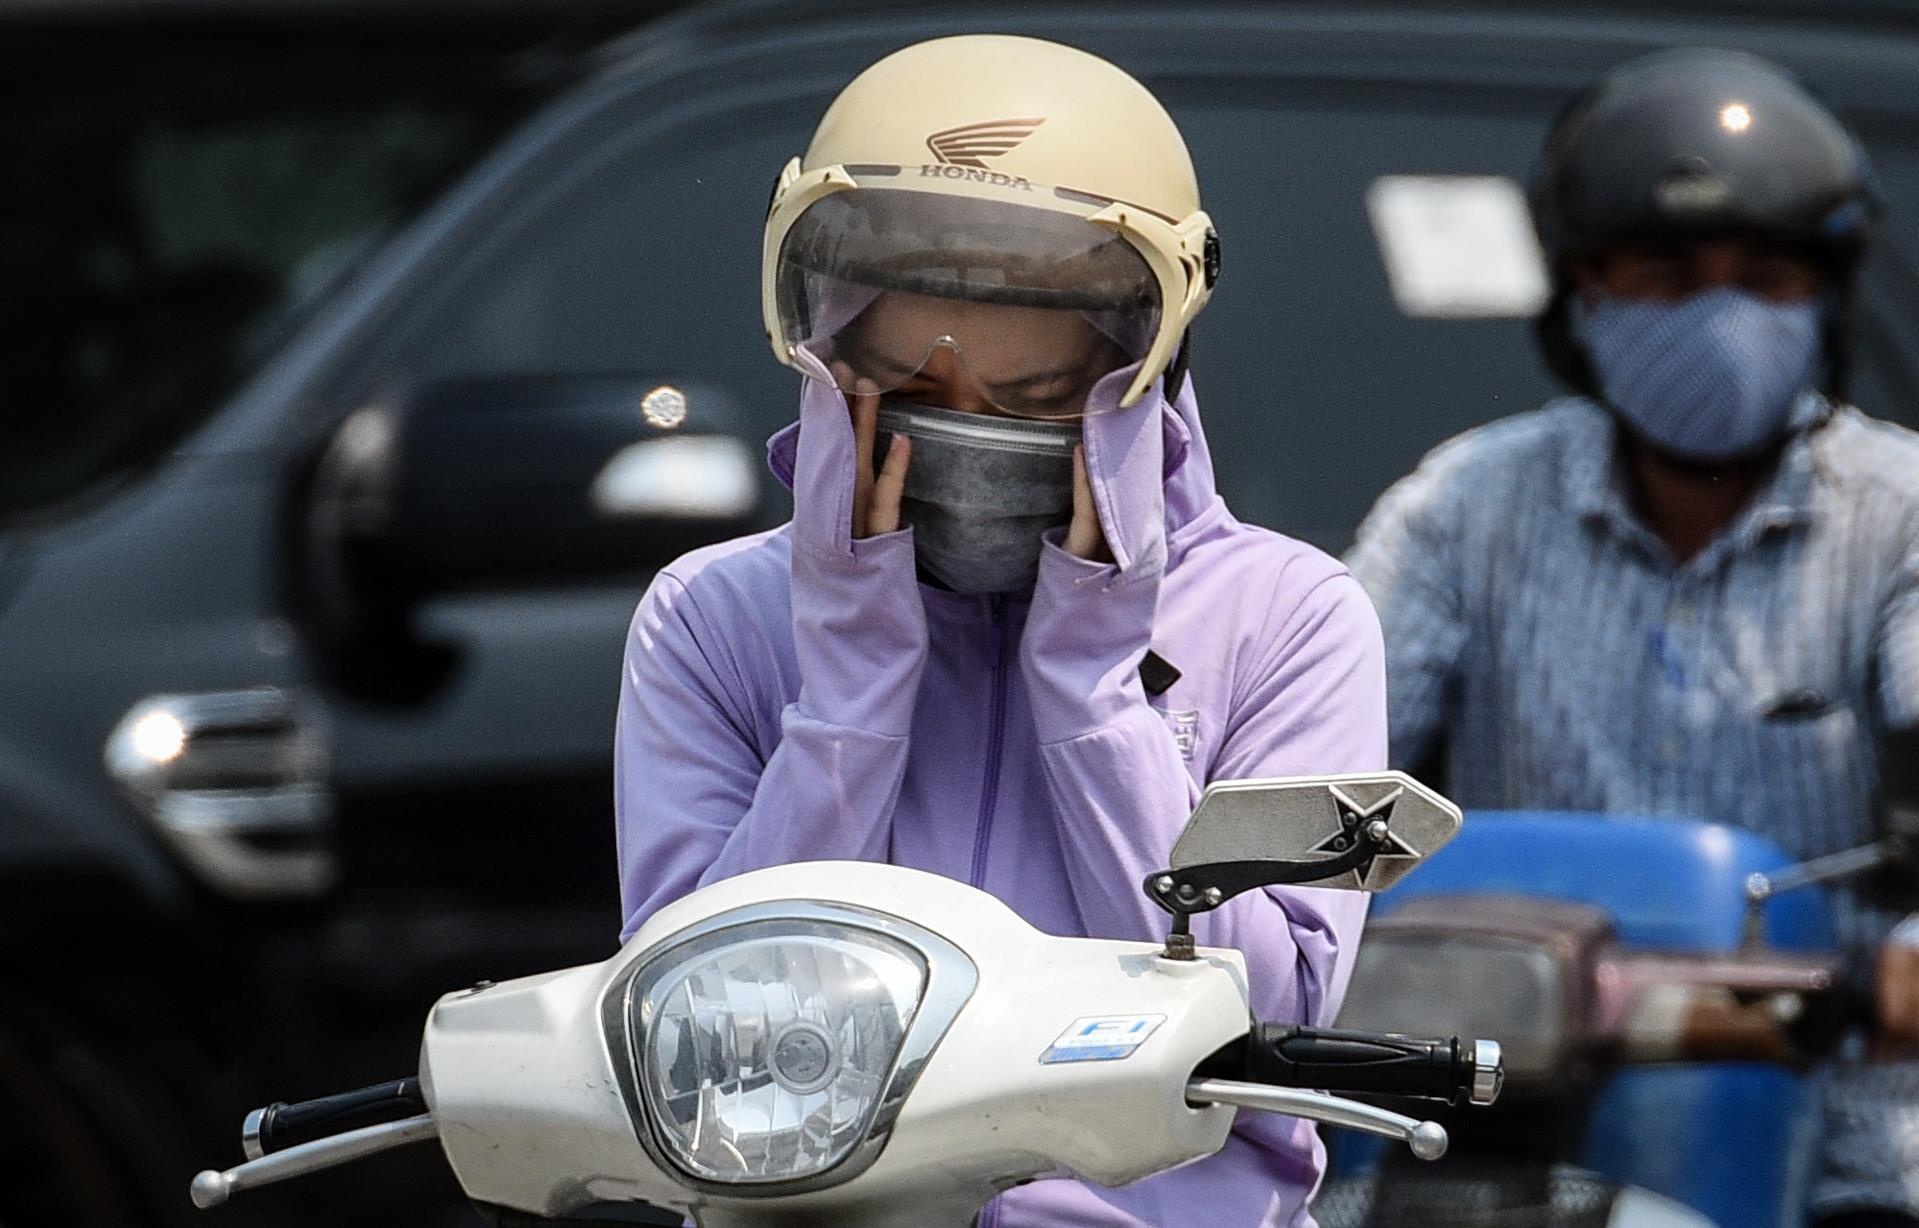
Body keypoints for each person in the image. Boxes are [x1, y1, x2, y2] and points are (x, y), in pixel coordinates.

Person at [615, 34, 1387, 1228]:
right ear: (824, 365)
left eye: (1034, 406)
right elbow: (694, 1026)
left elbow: (1267, 1040)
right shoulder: (709, 618)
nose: (961, 446)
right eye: (904, 400)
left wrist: (1092, 690)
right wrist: (850, 688)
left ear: (1140, 379)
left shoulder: (1288, 619)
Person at [1346, 48, 1919, 1228]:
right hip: (1485, 1129)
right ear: (1582, 296)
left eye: (1761, 277)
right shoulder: (1466, 505)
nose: (1716, 315)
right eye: (1664, 276)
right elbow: (1323, 759)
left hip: (1842, 1152)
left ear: (1822, 300)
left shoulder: (1902, 517)